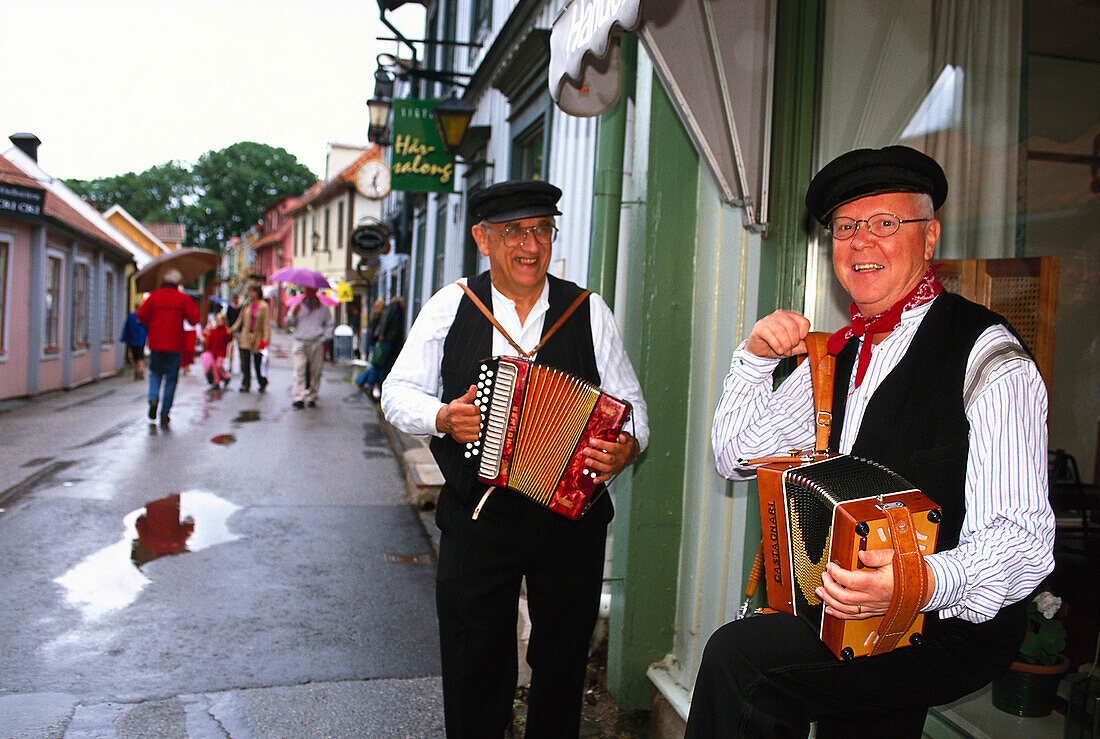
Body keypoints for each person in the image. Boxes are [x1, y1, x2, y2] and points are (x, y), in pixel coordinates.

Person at [686, 146, 1056, 737]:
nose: (862, 244)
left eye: (885, 224)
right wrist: (754, 361)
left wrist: (917, 582)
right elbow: (736, 458)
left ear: (929, 237)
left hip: (949, 623)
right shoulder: (833, 354)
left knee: (744, 659)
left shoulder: (988, 356)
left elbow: (1025, 541)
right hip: (843, 609)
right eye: (845, 229)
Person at [381, 180, 649, 738]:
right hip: (479, 517)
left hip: (568, 520)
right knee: (474, 660)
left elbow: (633, 409)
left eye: (541, 231)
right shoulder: (453, 305)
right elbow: (395, 392)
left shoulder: (586, 310)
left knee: (561, 663)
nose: (530, 246)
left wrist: (627, 447)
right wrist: (441, 417)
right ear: (482, 238)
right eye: (513, 233)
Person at [135, 268, 199, 429]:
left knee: (155, 373)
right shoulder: (182, 299)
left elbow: (141, 316)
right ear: (177, 283)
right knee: (171, 379)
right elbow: (194, 319)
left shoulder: (153, 297)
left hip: (156, 344)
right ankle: (165, 413)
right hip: (175, 345)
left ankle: (153, 398)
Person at [286, 286, 333, 409]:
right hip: (299, 341)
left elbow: (329, 325)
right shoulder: (297, 306)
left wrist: (323, 339)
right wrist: (294, 315)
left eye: (312, 290)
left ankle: (312, 396)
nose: (309, 292)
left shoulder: (323, 308)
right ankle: (298, 397)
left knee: (315, 371)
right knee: (299, 369)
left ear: (316, 291)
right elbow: (288, 323)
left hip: (315, 342)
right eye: (307, 289)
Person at [229, 284, 270, 392]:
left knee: (257, 362)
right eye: (250, 291)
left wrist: (265, 339)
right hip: (246, 335)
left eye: (252, 291)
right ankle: (246, 383)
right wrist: (231, 329)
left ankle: (262, 381)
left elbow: (266, 324)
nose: (250, 294)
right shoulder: (247, 304)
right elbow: (240, 319)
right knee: (245, 360)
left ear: (257, 292)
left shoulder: (263, 306)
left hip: (258, 336)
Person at [202, 313, 232, 388]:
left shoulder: (225, 331)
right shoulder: (213, 331)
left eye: (220, 320)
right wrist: (208, 350)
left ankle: (225, 377)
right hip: (213, 351)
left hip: (220, 352)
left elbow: (229, 339)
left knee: (219, 365)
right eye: (217, 320)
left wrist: (229, 334)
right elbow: (210, 341)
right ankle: (216, 381)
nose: (218, 322)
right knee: (214, 367)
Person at [120, 310, 147, 380]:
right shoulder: (143, 316)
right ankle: (140, 372)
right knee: (140, 356)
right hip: (140, 339)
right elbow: (147, 327)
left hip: (132, 340)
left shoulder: (131, 316)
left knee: (135, 357)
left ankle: (136, 372)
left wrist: (124, 337)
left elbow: (126, 327)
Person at [225, 293, 242, 374]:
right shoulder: (230, 307)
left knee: (241, 349)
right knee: (231, 348)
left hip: (239, 331)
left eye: (236, 298)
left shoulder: (241, 307)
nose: (235, 299)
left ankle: (242, 366)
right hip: (231, 330)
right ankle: (230, 365)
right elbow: (227, 319)